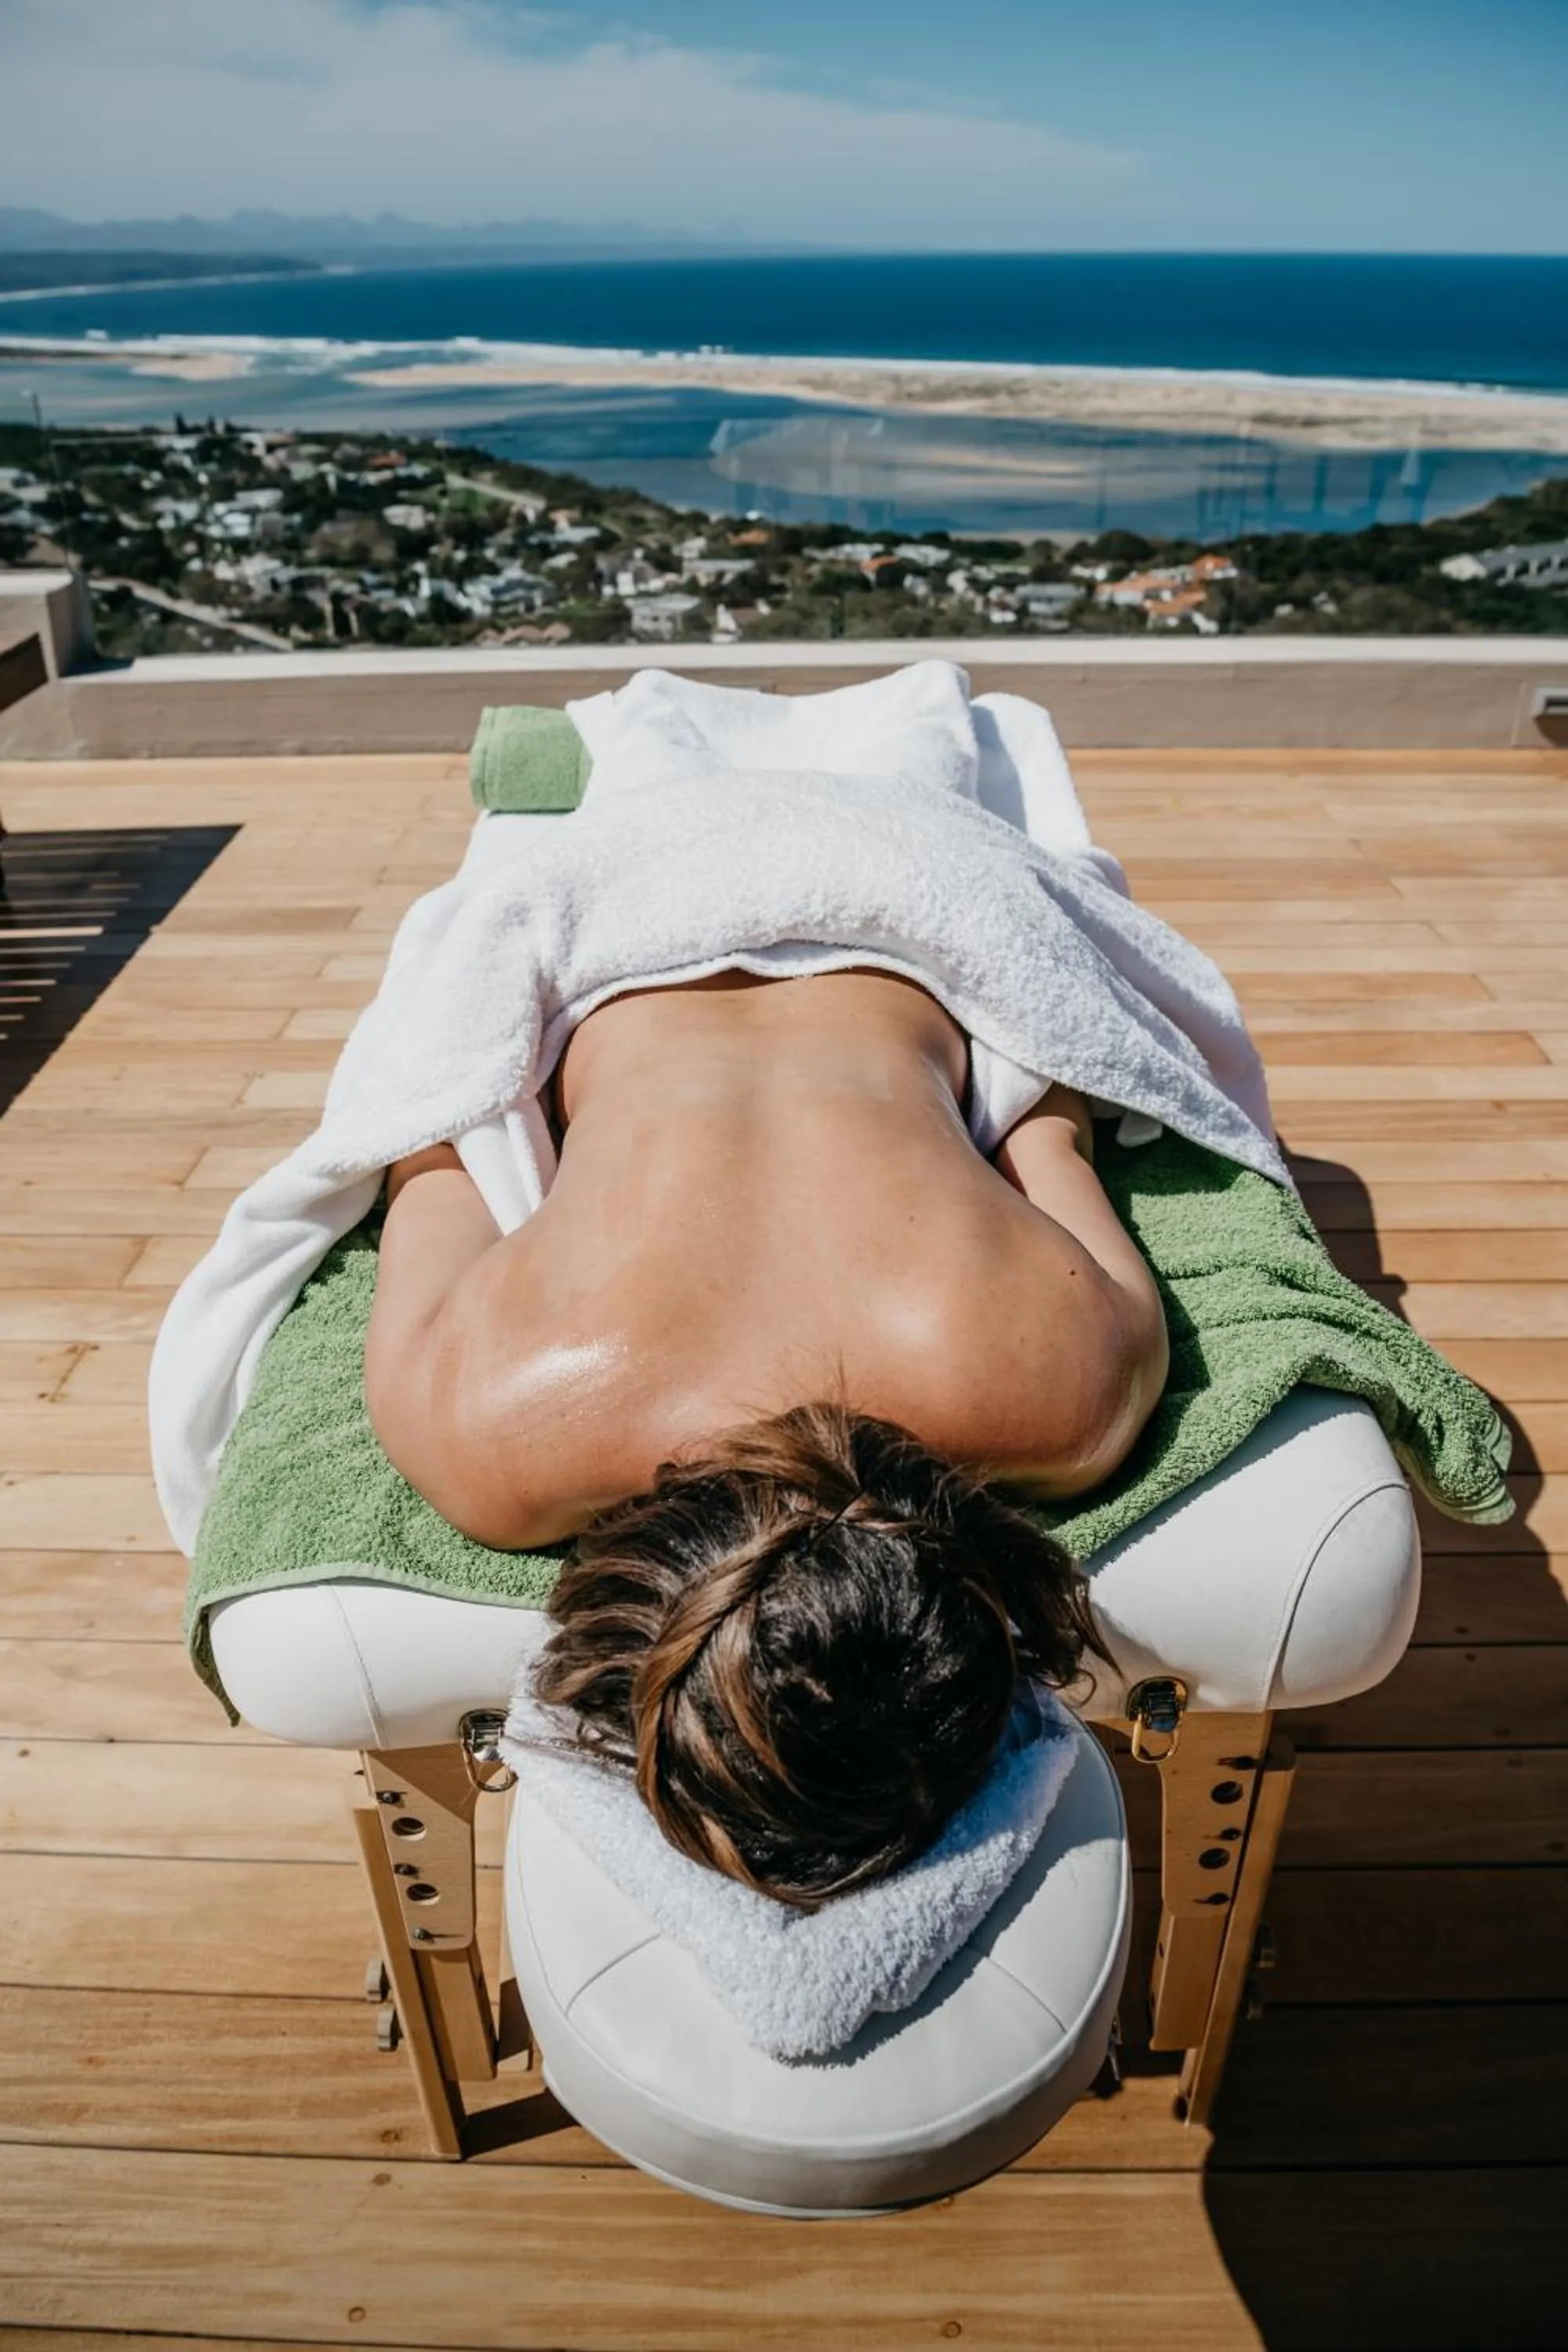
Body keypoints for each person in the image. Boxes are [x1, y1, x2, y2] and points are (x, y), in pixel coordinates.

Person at [365, 964, 1168, 1908]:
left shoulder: (1070, 1399)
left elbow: (1045, 1117)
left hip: (896, 937)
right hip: (608, 959)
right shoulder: (487, 1435)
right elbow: (433, 1152)